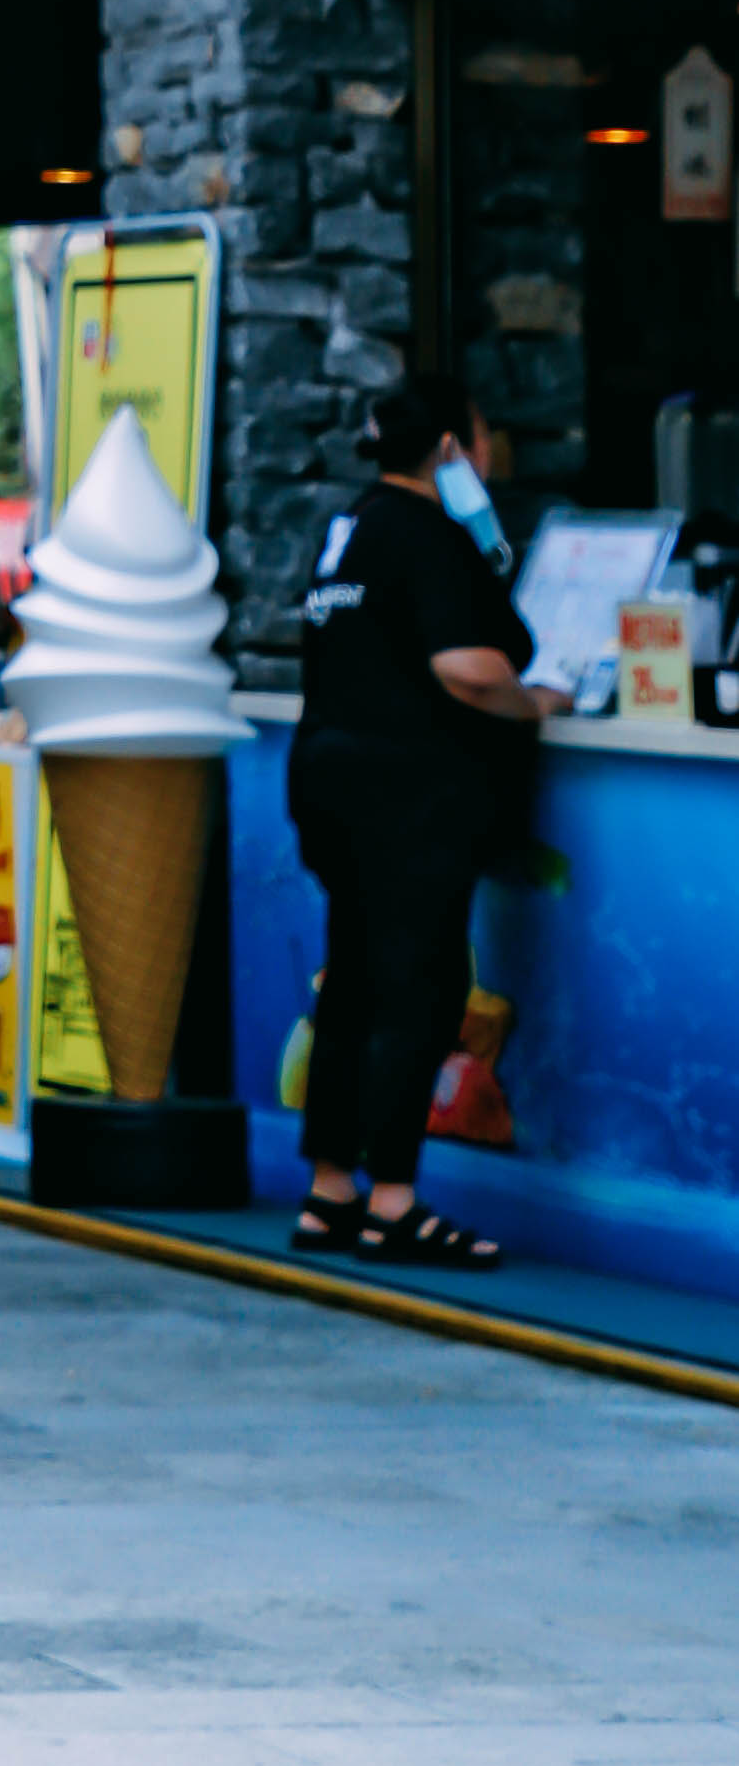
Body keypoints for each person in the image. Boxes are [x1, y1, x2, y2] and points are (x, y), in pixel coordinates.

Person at [290, 383, 566, 1270]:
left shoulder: (350, 531)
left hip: (329, 781)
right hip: (407, 798)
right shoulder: (429, 536)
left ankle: (330, 1194)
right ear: (453, 449)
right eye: (483, 439)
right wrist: (533, 702)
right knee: (419, 994)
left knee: (355, 987)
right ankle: (395, 1205)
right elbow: (466, 668)